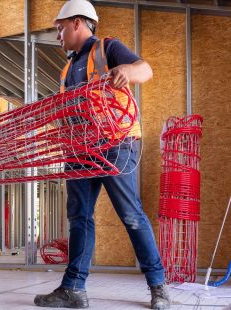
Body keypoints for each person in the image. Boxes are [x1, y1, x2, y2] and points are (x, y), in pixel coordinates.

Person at [34, 0, 171, 309]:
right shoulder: (68, 68)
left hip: (115, 144)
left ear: (78, 23)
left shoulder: (107, 48)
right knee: (79, 218)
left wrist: (127, 70)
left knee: (131, 215)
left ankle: (158, 286)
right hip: (80, 148)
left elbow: (145, 69)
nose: (58, 35)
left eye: (60, 28)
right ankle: (74, 288)